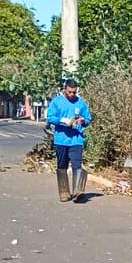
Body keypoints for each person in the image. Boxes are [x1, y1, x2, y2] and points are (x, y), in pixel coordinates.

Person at [47, 74, 93, 203]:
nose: (72, 94)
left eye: (74, 92)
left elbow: (88, 119)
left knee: (77, 165)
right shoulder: (57, 102)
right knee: (62, 165)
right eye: (70, 92)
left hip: (76, 139)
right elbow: (50, 117)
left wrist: (83, 121)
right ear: (64, 90)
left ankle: (78, 191)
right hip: (61, 139)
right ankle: (64, 192)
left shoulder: (81, 103)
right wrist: (62, 121)